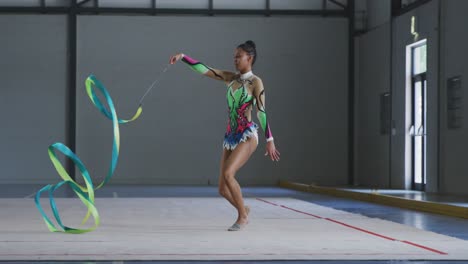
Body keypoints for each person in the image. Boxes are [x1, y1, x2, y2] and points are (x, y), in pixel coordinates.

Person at [169, 40, 280, 231]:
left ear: (249, 58)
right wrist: (183, 57)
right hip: (231, 136)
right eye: (234, 56)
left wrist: (269, 140)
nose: (235, 59)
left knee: (229, 174)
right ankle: (243, 208)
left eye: (239, 56)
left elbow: (261, 112)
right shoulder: (231, 78)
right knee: (222, 188)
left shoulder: (256, 82)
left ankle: (242, 216)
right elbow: (206, 69)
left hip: (247, 135)